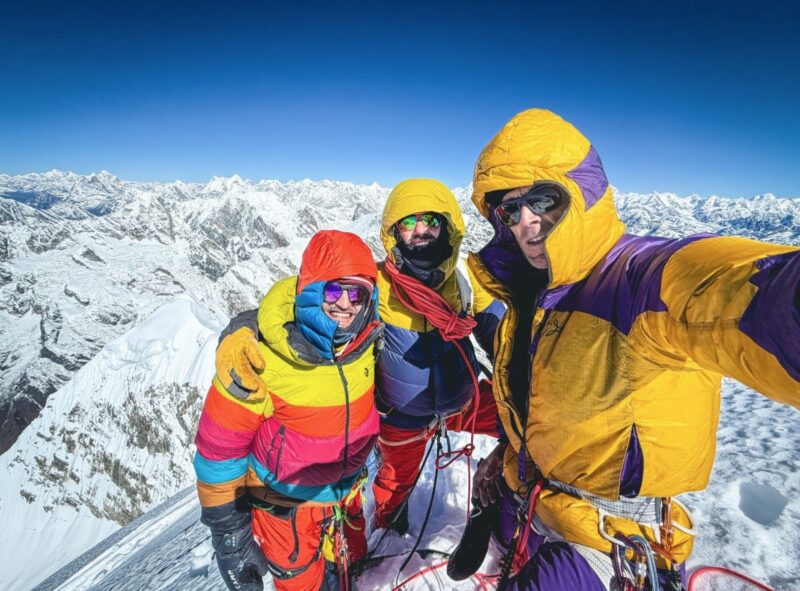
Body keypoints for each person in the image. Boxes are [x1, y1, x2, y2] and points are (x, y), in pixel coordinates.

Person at [455, 108, 800, 590]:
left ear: (583, 195)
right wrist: (509, 454)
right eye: (509, 210)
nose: (526, 222)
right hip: (532, 497)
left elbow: (740, 290)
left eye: (543, 199)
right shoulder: (528, 296)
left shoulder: (639, 279)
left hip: (607, 539)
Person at [213, 178, 505, 537]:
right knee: (394, 489)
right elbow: (302, 298)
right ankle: (390, 532)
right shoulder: (378, 284)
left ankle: (508, 495)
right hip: (403, 418)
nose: (421, 231)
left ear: (449, 226)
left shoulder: (466, 281)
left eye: (430, 220)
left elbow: (505, 339)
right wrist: (242, 331)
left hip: (465, 400)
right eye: (409, 223)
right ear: (394, 232)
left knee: (527, 425)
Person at [194, 230, 383, 591]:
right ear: (310, 290)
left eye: (356, 292)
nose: (345, 303)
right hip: (285, 511)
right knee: (300, 583)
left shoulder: (367, 344)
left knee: (351, 565)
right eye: (332, 290)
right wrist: (229, 535)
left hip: (346, 495)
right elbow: (218, 452)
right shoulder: (258, 357)